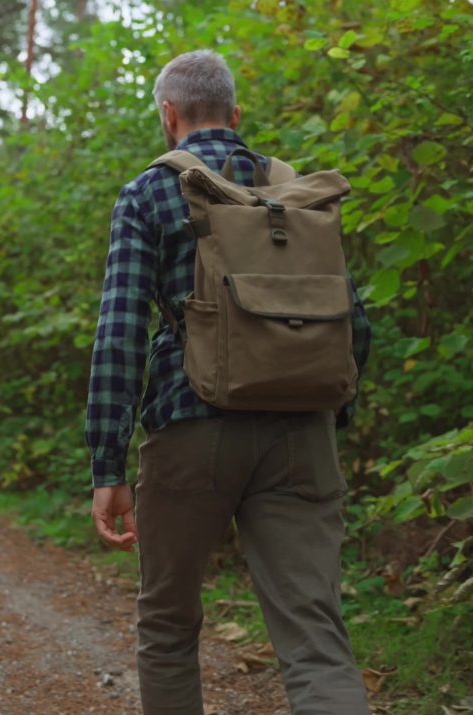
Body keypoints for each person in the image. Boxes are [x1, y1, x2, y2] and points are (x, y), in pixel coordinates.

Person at [86, 50, 372, 715]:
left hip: (191, 426)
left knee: (167, 624)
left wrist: (108, 462)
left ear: (169, 115)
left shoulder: (151, 191)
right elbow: (353, 324)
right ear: (236, 115)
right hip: (301, 430)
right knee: (316, 638)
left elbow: (120, 332)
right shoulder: (294, 190)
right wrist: (328, 413)